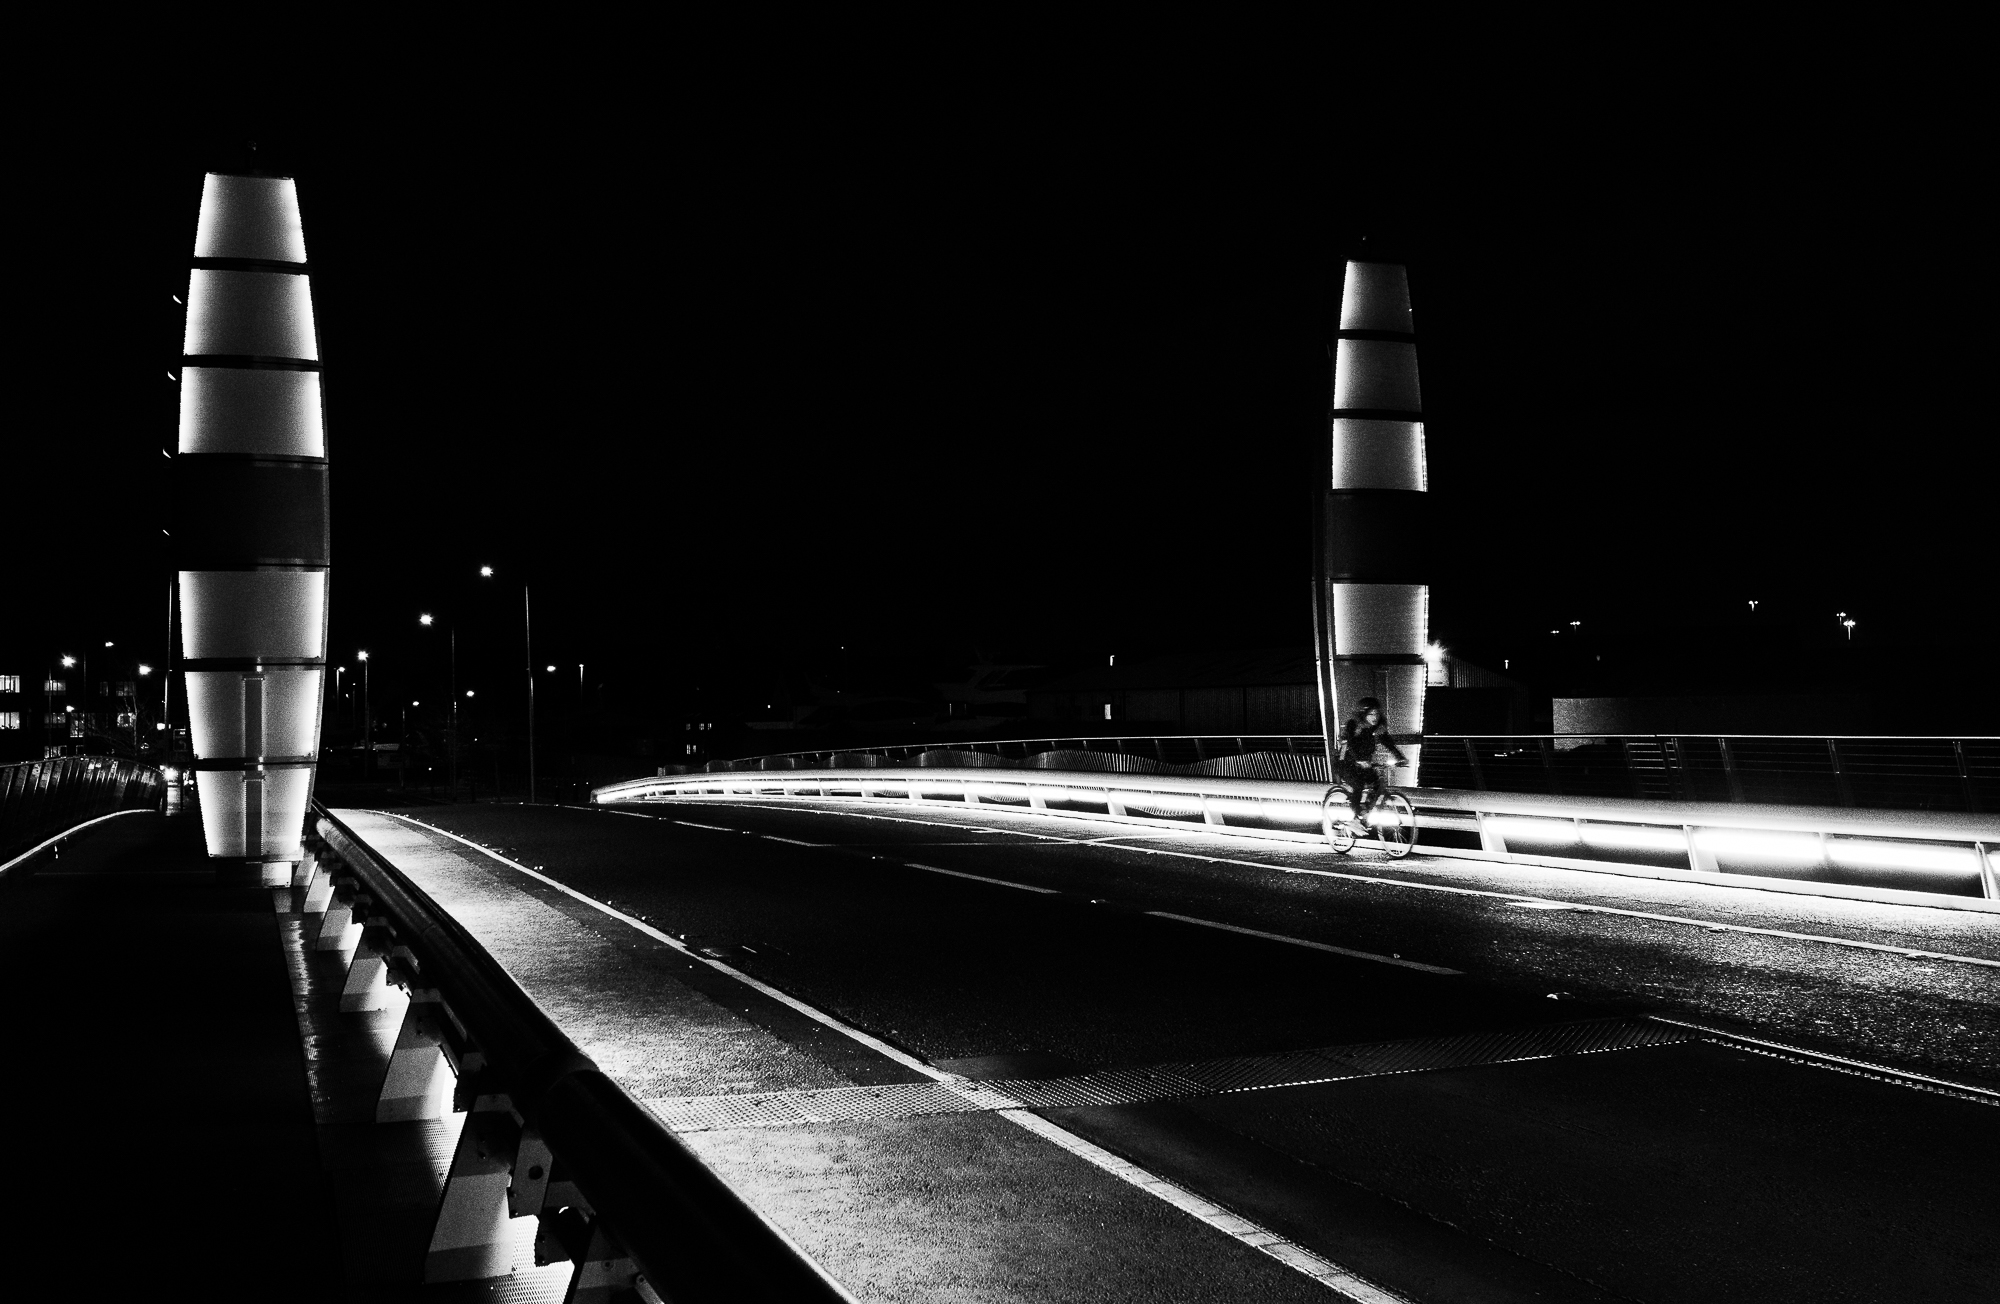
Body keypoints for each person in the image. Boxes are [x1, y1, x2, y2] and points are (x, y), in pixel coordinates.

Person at [1337, 696, 1407, 830]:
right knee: (1358, 785)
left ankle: (1366, 812)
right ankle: (1355, 818)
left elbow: (1387, 742)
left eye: (1376, 713)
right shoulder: (1354, 724)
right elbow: (1350, 744)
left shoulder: (1377, 727)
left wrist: (1400, 757)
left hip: (1364, 764)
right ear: (1363, 714)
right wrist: (1358, 759)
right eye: (1371, 714)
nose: (1374, 717)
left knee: (1376, 783)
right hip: (1346, 762)